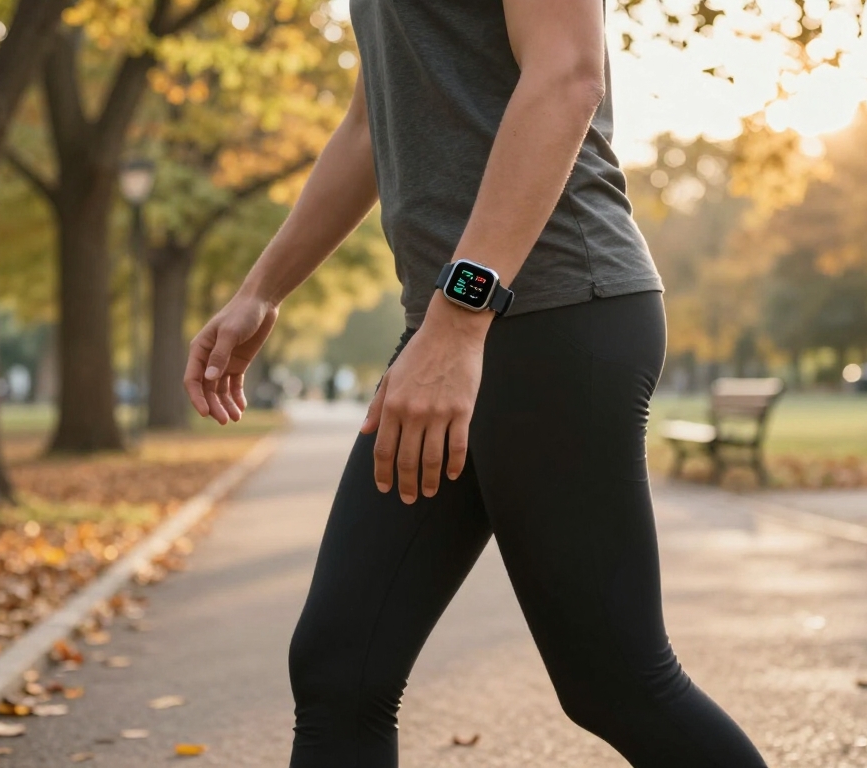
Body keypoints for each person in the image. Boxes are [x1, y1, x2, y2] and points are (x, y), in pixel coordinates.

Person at [184, 0, 770, 765]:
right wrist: (262, 287)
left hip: (551, 310)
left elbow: (566, 75)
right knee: (339, 672)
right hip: (453, 323)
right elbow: (373, 123)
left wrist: (459, 321)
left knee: (615, 679)